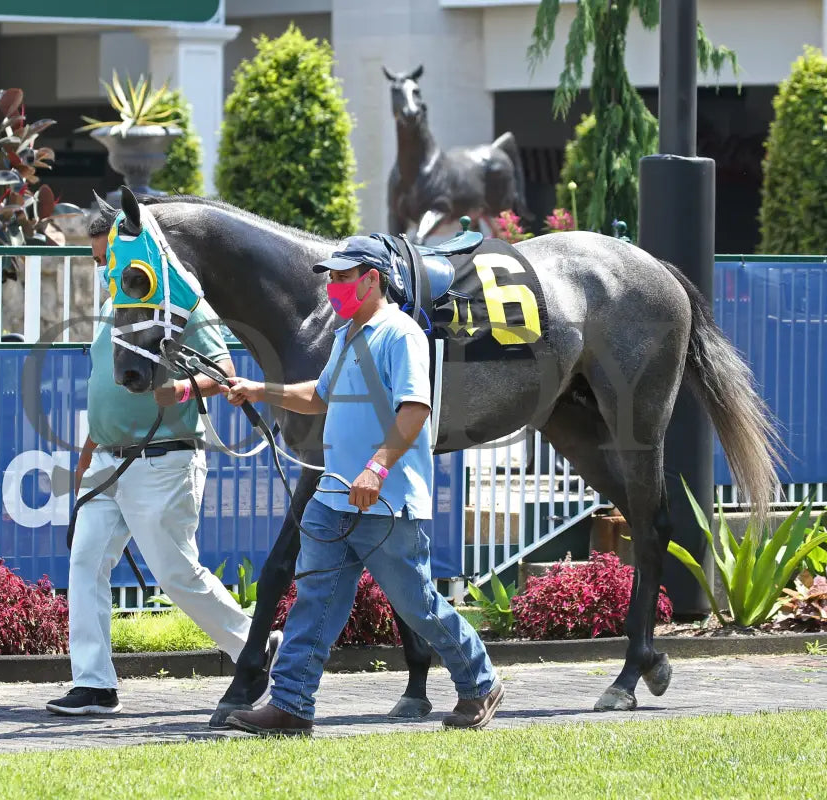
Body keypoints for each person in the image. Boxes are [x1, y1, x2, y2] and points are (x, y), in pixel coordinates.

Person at [221, 235, 502, 736]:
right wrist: (261, 389)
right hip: (333, 498)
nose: (332, 285)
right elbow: (319, 396)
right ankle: (290, 705)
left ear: (372, 279)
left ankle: (480, 683)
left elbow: (415, 409)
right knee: (314, 601)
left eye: (342, 276)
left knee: (418, 605)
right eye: (330, 276)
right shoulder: (349, 335)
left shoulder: (400, 334)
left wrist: (376, 468)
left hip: (385, 502)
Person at [46, 208, 279, 715]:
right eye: (98, 262)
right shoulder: (114, 308)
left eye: (109, 258)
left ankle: (253, 649)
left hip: (162, 459)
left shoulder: (181, 302)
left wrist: (181, 388)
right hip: (109, 460)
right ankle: (94, 684)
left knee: (175, 574)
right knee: (85, 562)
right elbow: (103, 389)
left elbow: (224, 373)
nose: (106, 271)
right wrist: (89, 453)